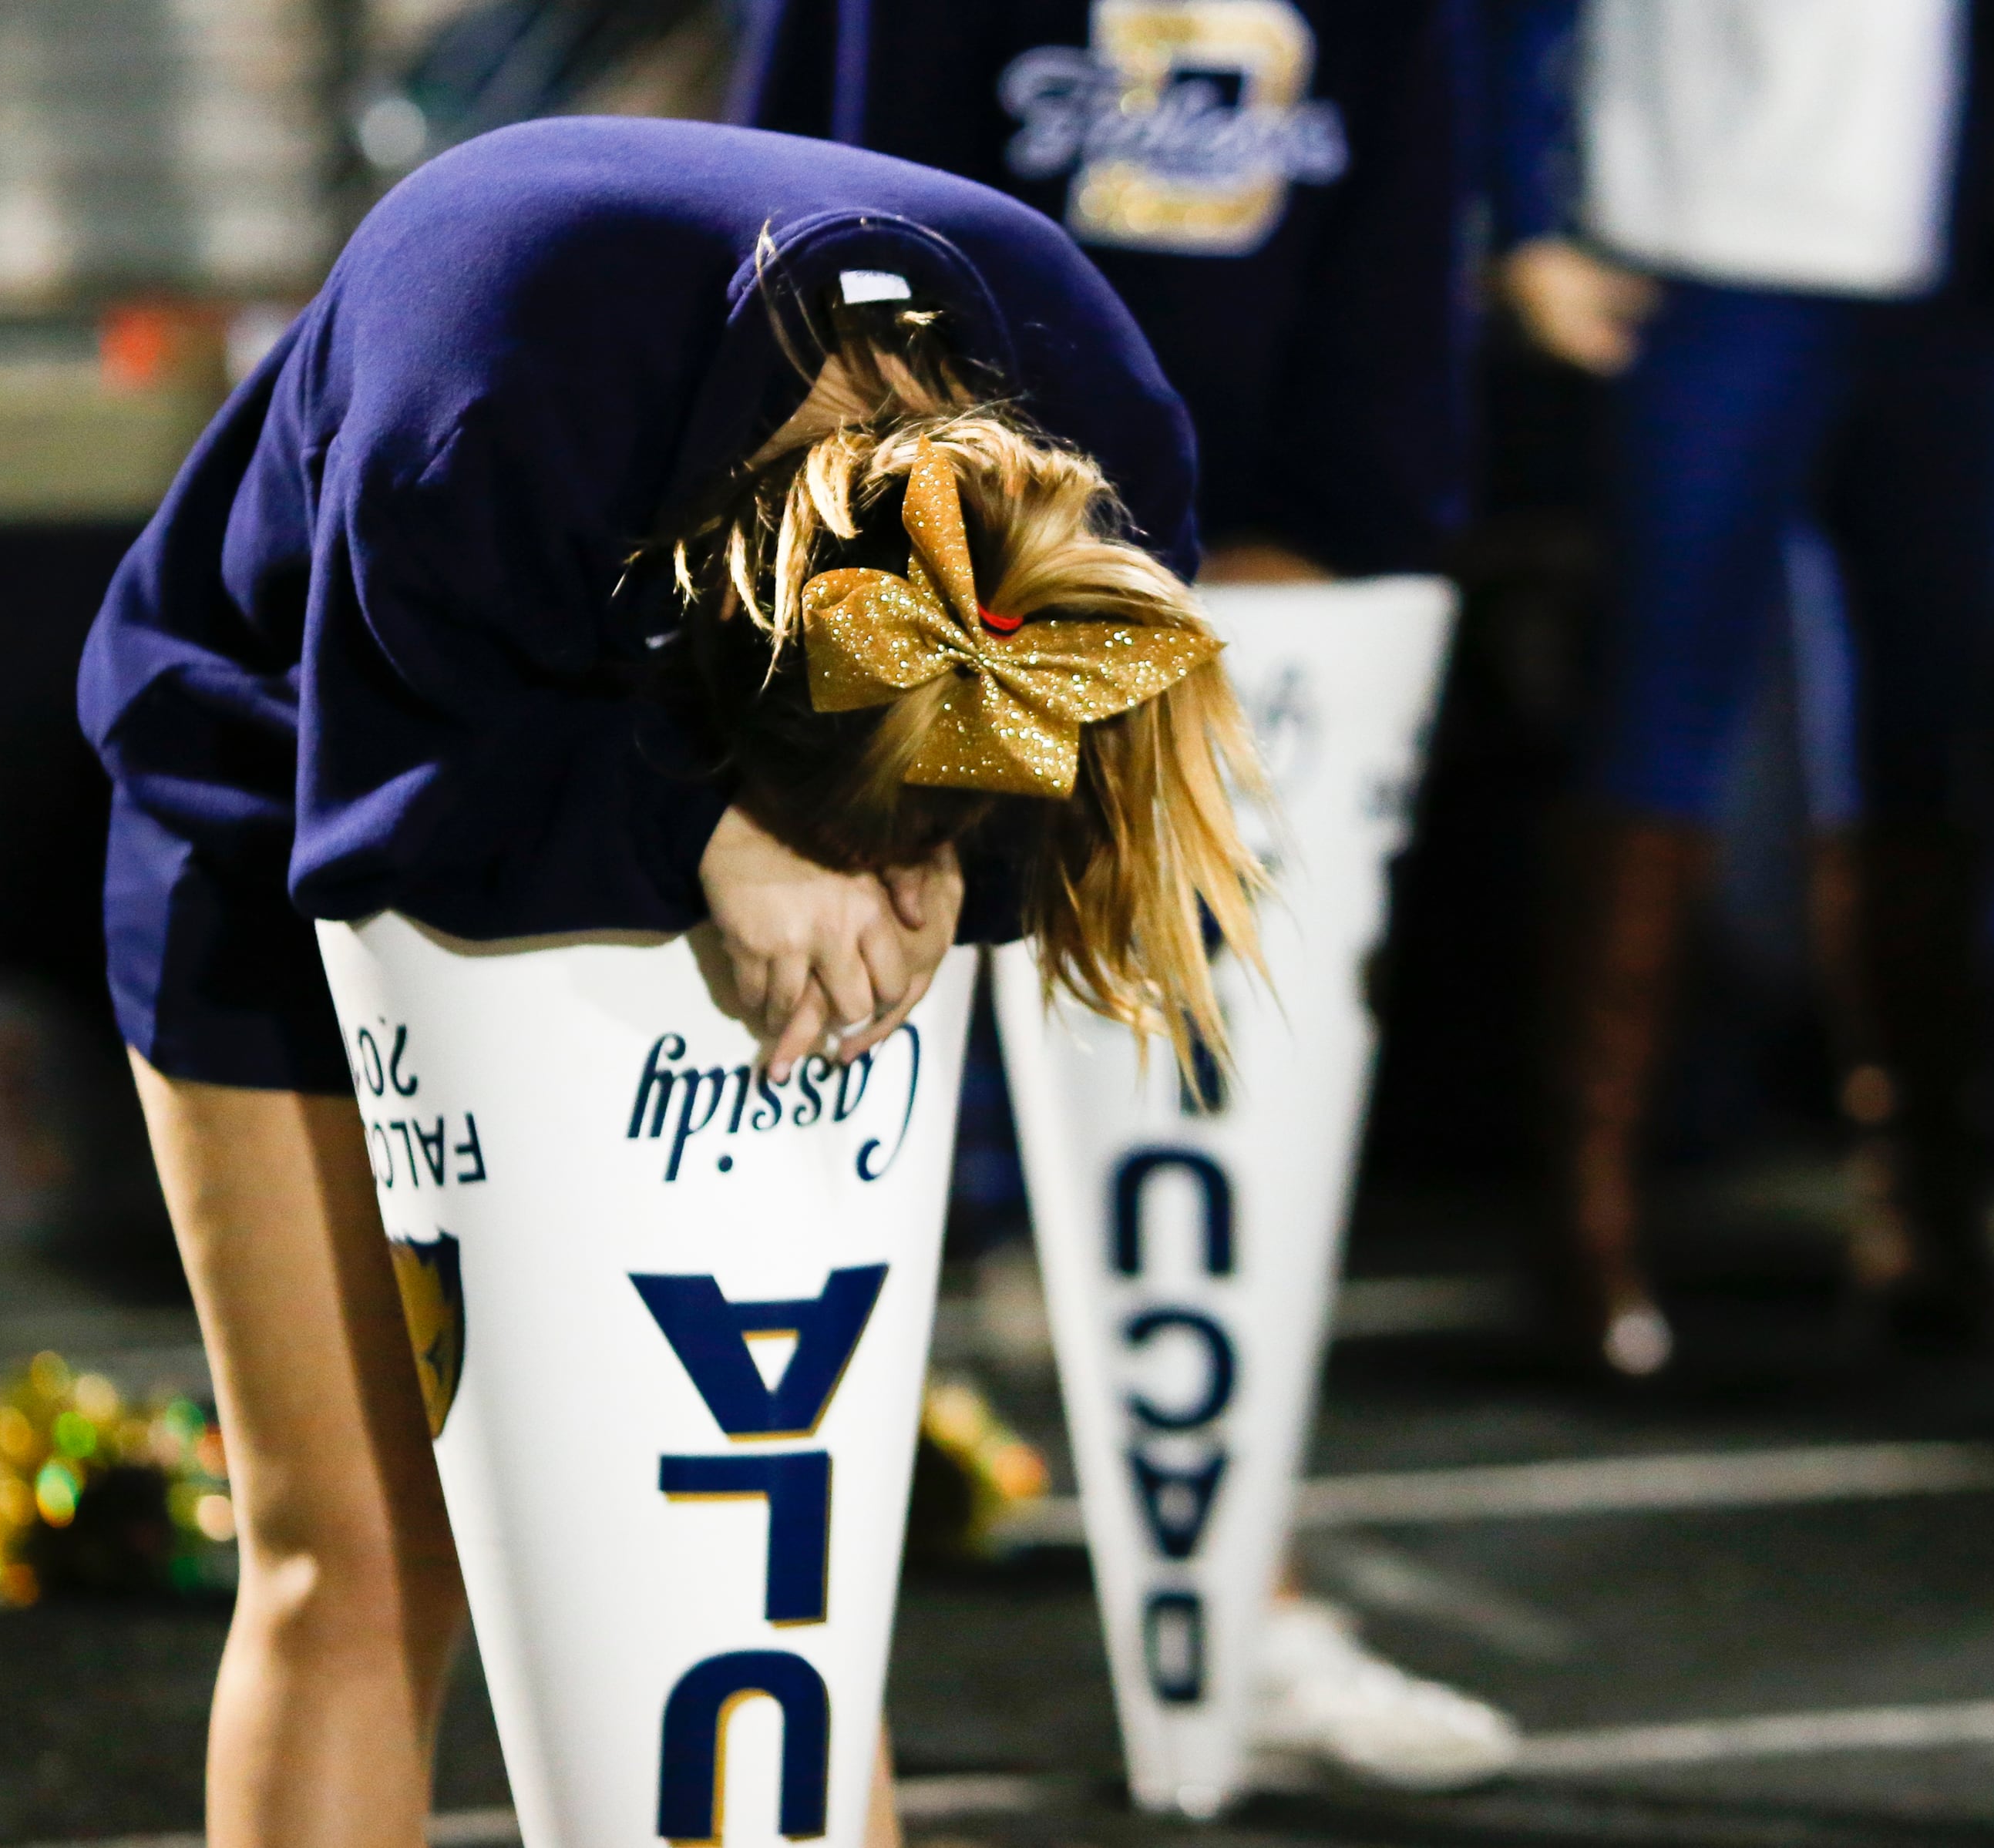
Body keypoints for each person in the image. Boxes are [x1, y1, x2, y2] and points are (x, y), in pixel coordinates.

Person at [78, 115, 1266, 1848]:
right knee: (361, 1552)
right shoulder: (489, 399)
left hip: (665, 722)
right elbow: (399, 777)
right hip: (293, 769)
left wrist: (942, 859)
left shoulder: (1101, 435)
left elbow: (1084, 772)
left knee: (778, 1590)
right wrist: (700, 829)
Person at [725, 1, 1520, 1795]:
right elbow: (803, 215)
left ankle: (1253, 1612)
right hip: (913, 557)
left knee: (1217, 1082)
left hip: (1239, 569)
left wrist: (1351, 529)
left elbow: (1400, 253)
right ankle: (776, 1677)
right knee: (820, 1073)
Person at [1491, 0, 1994, 1367]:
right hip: (1721, 233)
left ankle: (1932, 1216)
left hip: (1974, 247)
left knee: (1931, 746)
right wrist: (1524, 206)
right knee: (1658, 724)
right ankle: (1588, 1227)